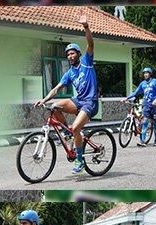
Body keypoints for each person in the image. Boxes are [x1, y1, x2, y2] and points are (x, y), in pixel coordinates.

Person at [35, 13, 97, 174]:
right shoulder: (69, 73)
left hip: (91, 102)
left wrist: (86, 26)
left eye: (73, 53)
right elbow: (56, 89)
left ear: (78, 54)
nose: (70, 56)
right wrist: (44, 100)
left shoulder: (86, 62)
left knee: (76, 128)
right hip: (79, 101)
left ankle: (80, 160)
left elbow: (90, 43)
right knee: (54, 107)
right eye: (68, 54)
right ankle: (68, 133)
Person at [122, 67, 156, 147]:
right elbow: (135, 92)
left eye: (147, 73)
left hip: (154, 106)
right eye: (144, 73)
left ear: (150, 74)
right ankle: (142, 141)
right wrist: (126, 98)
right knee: (144, 122)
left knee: (155, 123)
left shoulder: (155, 81)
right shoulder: (143, 83)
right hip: (146, 105)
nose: (145, 74)